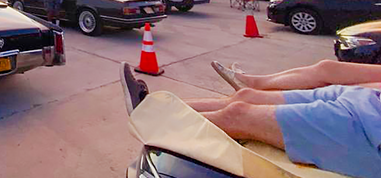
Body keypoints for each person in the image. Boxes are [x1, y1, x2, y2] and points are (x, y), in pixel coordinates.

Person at [122, 60, 381, 178]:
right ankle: (148, 105)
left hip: (371, 129)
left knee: (240, 116)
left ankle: (151, 118)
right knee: (245, 97)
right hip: (368, 99)